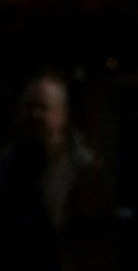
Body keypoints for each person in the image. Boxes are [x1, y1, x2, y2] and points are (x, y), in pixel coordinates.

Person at [0, 70, 109, 271]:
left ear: (62, 113)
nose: (35, 115)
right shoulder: (6, 164)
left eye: (43, 107)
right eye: (28, 107)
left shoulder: (84, 166)